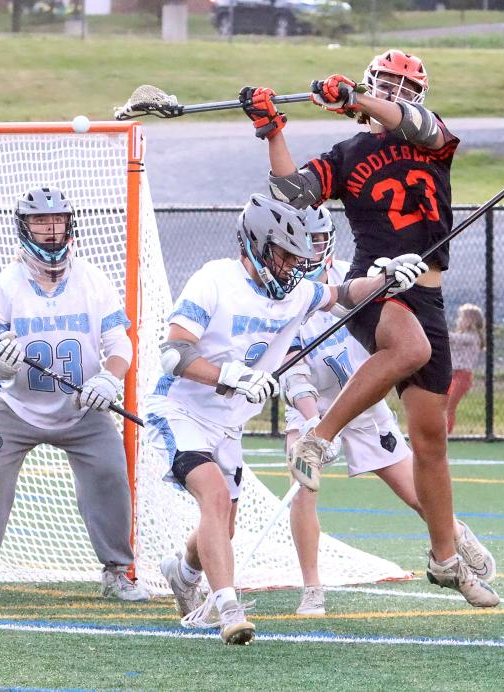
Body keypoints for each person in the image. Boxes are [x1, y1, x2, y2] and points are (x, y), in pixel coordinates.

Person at [239, 49, 499, 607]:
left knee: (430, 440)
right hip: (376, 285)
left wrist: (356, 97)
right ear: (370, 82)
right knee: (408, 348)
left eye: (407, 87)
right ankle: (319, 439)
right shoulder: (350, 152)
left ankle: (445, 559)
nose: (399, 95)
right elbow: (294, 191)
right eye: (387, 84)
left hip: (426, 293)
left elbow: (416, 125)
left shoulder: (437, 141)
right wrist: (270, 129)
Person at [146, 193, 427, 644]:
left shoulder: (296, 291)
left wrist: (387, 279)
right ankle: (226, 609)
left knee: (223, 525)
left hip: (228, 424)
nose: (294, 265)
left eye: (300, 256)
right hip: (181, 410)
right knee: (215, 500)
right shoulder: (214, 280)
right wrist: (229, 377)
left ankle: (182, 573)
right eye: (285, 254)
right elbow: (174, 353)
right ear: (257, 245)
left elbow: (340, 294)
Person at [0, 186, 148, 603]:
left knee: (110, 475)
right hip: (17, 408)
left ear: (70, 224)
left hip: (81, 406)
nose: (51, 229)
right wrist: (1, 363)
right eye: (40, 221)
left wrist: (109, 379)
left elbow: (119, 344)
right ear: (24, 226)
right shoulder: (4, 286)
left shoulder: (93, 279)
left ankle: (116, 572)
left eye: (57, 220)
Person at [281, 210, 495, 616]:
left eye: (315, 239)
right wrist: (312, 422)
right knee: (303, 485)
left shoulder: (351, 276)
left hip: (363, 400)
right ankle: (312, 589)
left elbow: (395, 327)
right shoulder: (283, 294)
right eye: (300, 241)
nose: (309, 250)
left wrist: (396, 277)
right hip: (314, 405)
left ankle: (456, 545)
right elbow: (294, 370)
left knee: (418, 496)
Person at [446, 303, 485, 435]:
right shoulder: (464, 337)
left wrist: (437, 330)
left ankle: (445, 433)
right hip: (452, 375)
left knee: (449, 407)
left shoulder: (472, 337)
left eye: (461, 318)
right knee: (443, 404)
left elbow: (452, 338)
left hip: (462, 376)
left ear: (470, 321)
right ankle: (442, 432)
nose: (458, 321)